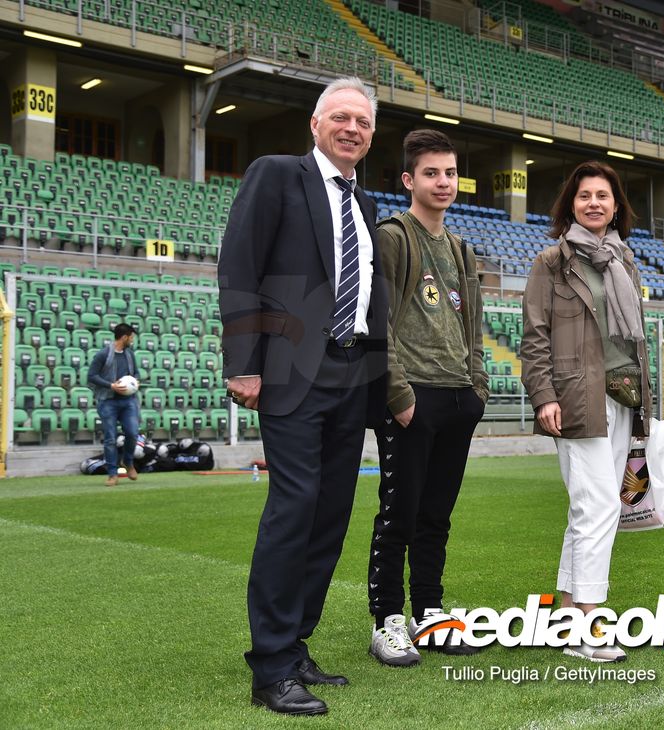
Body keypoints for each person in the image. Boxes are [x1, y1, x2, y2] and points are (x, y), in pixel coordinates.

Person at [217, 76, 389, 716]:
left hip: (351, 372)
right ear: (315, 124)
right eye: (341, 117)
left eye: (363, 122)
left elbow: (368, 292)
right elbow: (239, 264)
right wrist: (244, 364)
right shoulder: (276, 175)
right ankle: (270, 666)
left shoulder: (364, 201)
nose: (352, 128)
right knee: (294, 507)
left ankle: (294, 645)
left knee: (330, 513)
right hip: (290, 370)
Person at [365, 129, 488, 666]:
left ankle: (430, 613)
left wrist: (477, 388)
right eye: (431, 173)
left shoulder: (460, 248)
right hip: (412, 397)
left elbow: (473, 326)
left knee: (436, 517)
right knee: (399, 514)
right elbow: (377, 321)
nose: (443, 182)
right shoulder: (393, 237)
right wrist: (397, 392)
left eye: (450, 173)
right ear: (408, 180)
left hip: (458, 397)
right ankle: (387, 620)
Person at [520, 160, 651, 663]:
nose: (593, 203)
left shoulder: (624, 261)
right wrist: (544, 396)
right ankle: (588, 626)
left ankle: (566, 616)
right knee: (598, 508)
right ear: (570, 205)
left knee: (589, 511)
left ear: (616, 207)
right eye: (584, 196)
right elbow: (535, 337)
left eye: (602, 196)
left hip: (623, 398)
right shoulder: (551, 261)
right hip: (577, 398)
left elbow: (633, 343)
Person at [86, 322, 141, 487]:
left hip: (128, 401)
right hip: (108, 401)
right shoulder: (103, 354)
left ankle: (128, 461)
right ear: (124, 337)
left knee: (133, 433)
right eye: (131, 337)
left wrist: (135, 381)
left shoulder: (130, 354)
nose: (132, 340)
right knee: (110, 438)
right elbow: (91, 376)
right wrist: (111, 386)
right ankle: (112, 474)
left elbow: (136, 372)